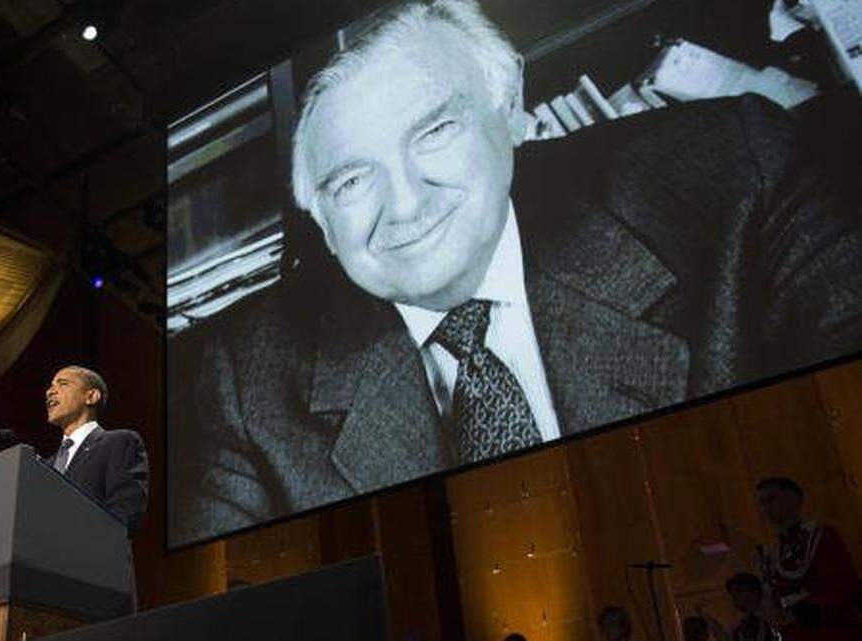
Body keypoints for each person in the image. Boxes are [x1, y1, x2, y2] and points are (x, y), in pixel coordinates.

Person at [166, 0, 862, 546]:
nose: (405, 206)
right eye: (351, 180)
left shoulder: (733, 172)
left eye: (435, 131)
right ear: (319, 219)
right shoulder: (242, 379)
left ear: (511, 113)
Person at [45, 364, 149, 536]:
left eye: (62, 384)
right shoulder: (45, 465)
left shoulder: (119, 442)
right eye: (50, 386)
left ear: (91, 396)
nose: (50, 391)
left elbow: (126, 513)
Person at [755, 477, 860, 641]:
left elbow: (843, 584)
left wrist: (806, 611)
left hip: (832, 630)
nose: (765, 508)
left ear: (793, 498)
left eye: (771, 498)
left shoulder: (820, 536)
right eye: (761, 503)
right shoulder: (772, 554)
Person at [723, 572, 781, 641]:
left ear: (755, 592)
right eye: (732, 593)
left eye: (739, 591)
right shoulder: (739, 628)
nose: (734, 596)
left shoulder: (774, 619)